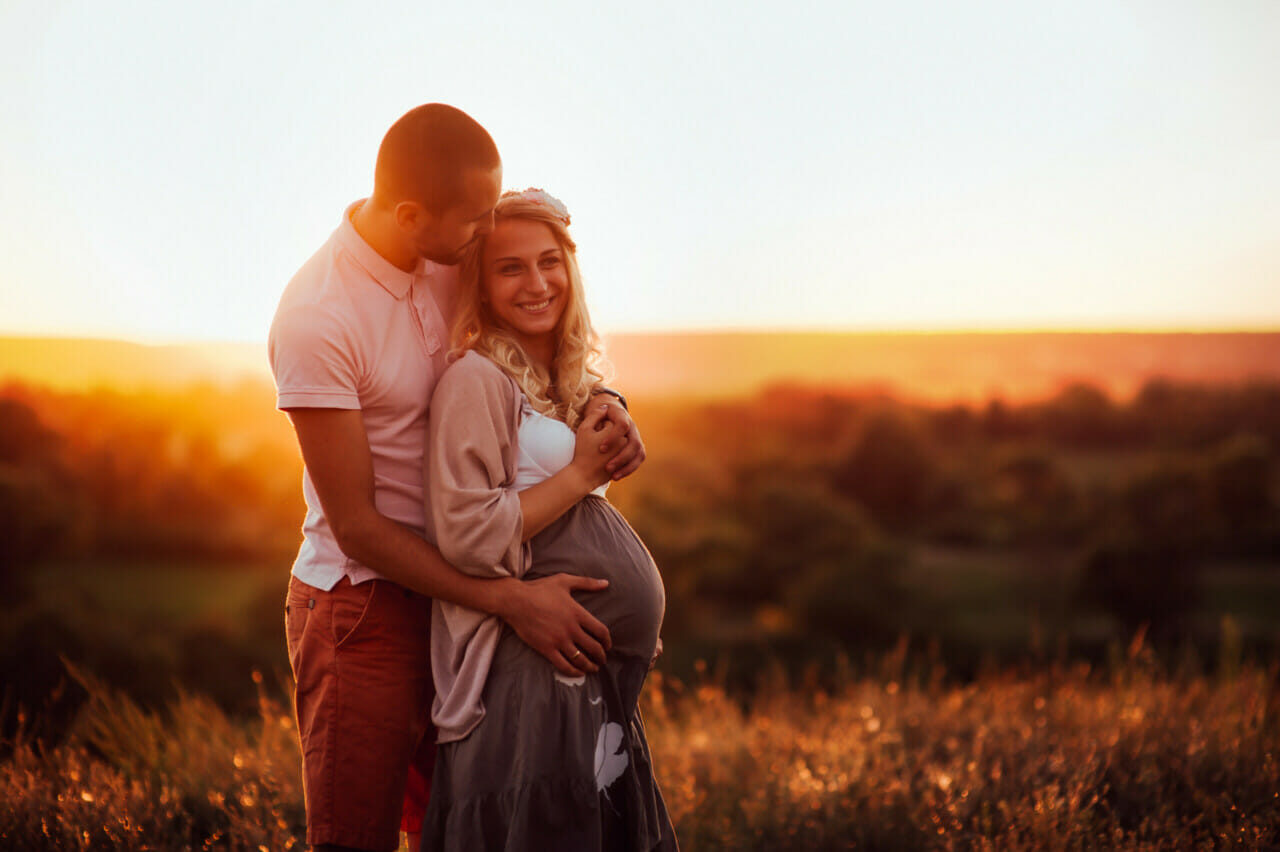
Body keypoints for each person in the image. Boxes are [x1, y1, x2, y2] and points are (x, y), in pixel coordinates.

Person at [268, 105, 645, 852]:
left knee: (460, 825)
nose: (488, 232)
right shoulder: (319, 318)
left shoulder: (444, 258)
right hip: (364, 609)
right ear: (412, 215)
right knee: (357, 837)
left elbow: (533, 344)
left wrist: (607, 402)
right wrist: (509, 601)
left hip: (461, 608)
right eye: (475, 220)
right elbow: (358, 526)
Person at [411, 189, 677, 851]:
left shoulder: (565, 381)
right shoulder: (473, 379)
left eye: (549, 261)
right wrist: (585, 473)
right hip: (528, 672)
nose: (537, 283)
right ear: (480, 282)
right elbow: (467, 535)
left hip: (589, 677)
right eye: (510, 268)